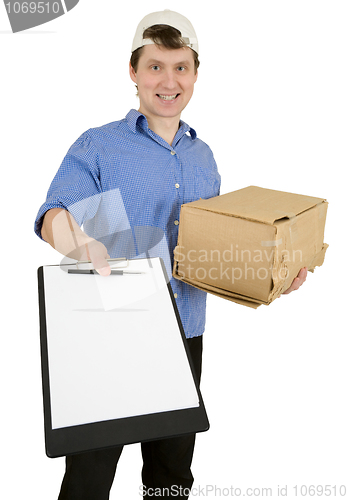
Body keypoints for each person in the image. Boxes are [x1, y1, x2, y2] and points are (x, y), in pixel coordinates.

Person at [34, 10, 307, 500]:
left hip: (185, 333)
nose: (168, 80)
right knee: (90, 478)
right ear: (133, 73)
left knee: (171, 476)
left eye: (181, 67)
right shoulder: (99, 144)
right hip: (109, 328)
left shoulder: (204, 158)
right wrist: (82, 245)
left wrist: (273, 275)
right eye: (155, 66)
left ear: (196, 75)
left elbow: (214, 254)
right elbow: (52, 215)